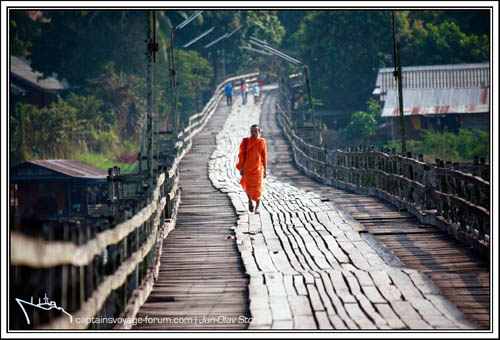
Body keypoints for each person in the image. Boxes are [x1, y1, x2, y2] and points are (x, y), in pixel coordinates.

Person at [236, 124, 267, 214]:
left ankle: (257, 207)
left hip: (258, 169)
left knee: (258, 188)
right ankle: (250, 201)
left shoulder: (262, 141)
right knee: (248, 187)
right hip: (247, 168)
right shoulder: (246, 142)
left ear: (259, 132)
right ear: (250, 132)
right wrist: (241, 167)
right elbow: (241, 156)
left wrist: (265, 169)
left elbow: (264, 156)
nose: (254, 133)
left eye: (255, 131)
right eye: (252, 131)